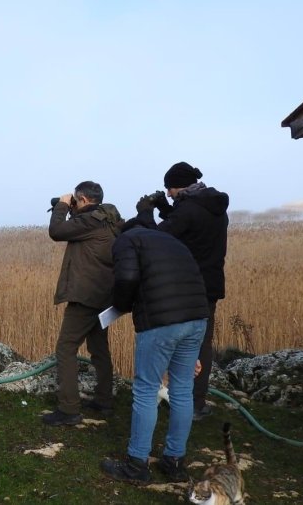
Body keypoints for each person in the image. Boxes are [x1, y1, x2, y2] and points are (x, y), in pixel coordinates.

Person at [100, 219, 209, 484]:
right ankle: (175, 462)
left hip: (161, 323)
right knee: (182, 389)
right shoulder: (173, 241)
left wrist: (120, 305)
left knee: (146, 389)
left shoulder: (127, 239)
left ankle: (136, 465)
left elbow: (126, 277)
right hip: (197, 318)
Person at [135, 162, 228, 421]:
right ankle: (196, 403)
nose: (168, 193)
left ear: (180, 186)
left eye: (170, 188)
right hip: (210, 284)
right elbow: (187, 226)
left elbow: (157, 237)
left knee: (180, 342)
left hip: (188, 286)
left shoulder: (188, 209)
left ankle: (180, 400)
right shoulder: (211, 204)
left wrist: (145, 213)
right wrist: (165, 208)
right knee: (202, 342)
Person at [42, 181, 124, 426]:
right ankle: (104, 400)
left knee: (66, 348)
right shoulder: (110, 221)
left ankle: (69, 409)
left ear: (84, 200)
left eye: (76, 201)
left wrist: (61, 206)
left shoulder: (90, 220)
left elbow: (57, 231)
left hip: (86, 296)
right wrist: (71, 208)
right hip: (105, 296)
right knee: (99, 348)